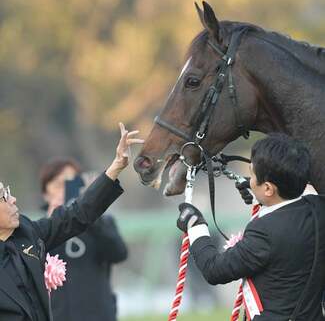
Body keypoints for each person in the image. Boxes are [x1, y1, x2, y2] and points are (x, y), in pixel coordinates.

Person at [0, 122, 143, 321]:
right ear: (45, 191)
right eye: (3, 196)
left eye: (72, 183)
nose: (13, 199)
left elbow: (76, 215)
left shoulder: (27, 233)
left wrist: (116, 166)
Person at [176, 133, 325, 320]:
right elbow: (304, 194)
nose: (250, 180)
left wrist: (195, 225)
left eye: (253, 175)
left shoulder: (264, 232)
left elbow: (214, 270)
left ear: (269, 188)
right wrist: (261, 194)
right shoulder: (319, 208)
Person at [39, 157, 128, 321]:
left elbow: (119, 254)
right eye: (59, 185)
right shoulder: (37, 231)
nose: (64, 191)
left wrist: (92, 210)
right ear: (45, 194)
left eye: (71, 184)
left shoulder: (103, 222)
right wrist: (52, 222)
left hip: (98, 313)